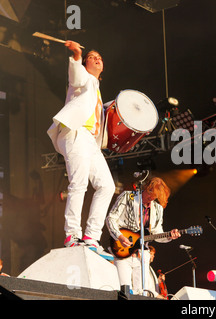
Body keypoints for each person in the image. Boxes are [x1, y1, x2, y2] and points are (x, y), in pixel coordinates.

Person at [47, 41, 116, 251]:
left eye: (100, 58)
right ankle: (72, 235)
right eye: (92, 57)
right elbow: (75, 75)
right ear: (85, 64)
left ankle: (91, 237)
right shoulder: (83, 79)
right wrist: (77, 55)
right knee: (79, 184)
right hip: (76, 133)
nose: (97, 59)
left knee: (107, 186)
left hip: (91, 142)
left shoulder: (96, 88)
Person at [106, 177, 180, 296]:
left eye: (154, 198)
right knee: (125, 291)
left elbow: (156, 233)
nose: (151, 199)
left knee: (142, 294)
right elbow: (111, 218)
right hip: (123, 251)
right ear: (146, 188)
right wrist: (119, 236)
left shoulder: (157, 209)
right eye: (150, 195)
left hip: (142, 255)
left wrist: (170, 236)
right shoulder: (128, 196)